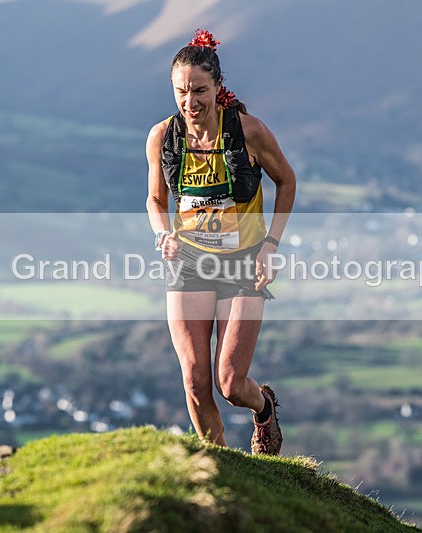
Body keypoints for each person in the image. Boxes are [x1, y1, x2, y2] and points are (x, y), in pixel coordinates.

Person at [145, 29, 296, 454]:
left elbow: (287, 182)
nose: (189, 103)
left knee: (229, 383)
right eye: (180, 92)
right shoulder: (163, 137)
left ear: (217, 87)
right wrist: (162, 234)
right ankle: (220, 464)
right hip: (189, 261)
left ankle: (263, 407)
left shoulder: (249, 132)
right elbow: (155, 199)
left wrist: (271, 245)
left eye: (199, 91)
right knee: (194, 378)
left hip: (244, 263)